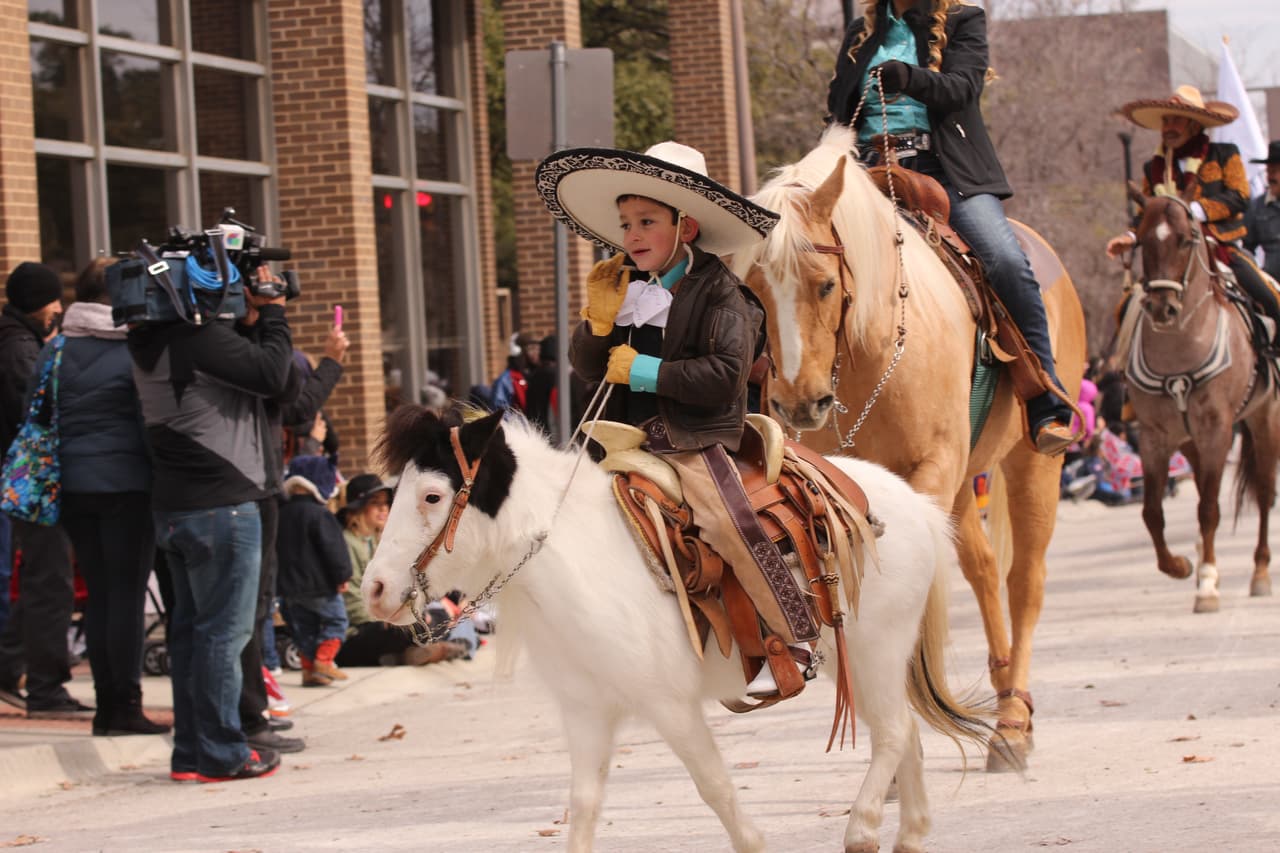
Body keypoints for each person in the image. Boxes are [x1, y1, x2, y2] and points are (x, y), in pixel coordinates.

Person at [538, 139, 817, 698]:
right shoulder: (623, 288)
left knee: (726, 520)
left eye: (647, 222)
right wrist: (597, 324)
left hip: (691, 440)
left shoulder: (725, 295)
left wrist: (645, 371)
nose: (631, 236)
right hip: (616, 438)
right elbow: (588, 368)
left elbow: (725, 376)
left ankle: (794, 638)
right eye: (626, 224)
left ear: (685, 227)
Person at [826, 0, 1074, 455]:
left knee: (1004, 259)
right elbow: (838, 108)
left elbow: (963, 88)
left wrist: (909, 77)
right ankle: (775, 392)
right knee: (799, 250)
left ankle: (1045, 399)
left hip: (945, 172)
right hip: (867, 170)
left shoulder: (963, 19)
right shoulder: (861, 31)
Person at [129, 262, 294, 782]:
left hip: (175, 509)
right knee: (225, 635)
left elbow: (269, 382)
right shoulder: (199, 340)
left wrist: (250, 324)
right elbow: (275, 377)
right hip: (223, 507)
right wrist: (273, 313)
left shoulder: (147, 341)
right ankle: (223, 753)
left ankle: (190, 754)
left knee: (190, 636)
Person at [56, 258, 167, 735]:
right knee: (124, 598)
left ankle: (107, 706)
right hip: (127, 487)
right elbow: (150, 422)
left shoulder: (56, 348)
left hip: (72, 486)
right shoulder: (133, 348)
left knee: (99, 596)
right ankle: (124, 707)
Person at [1106, 86, 1280, 334]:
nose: (1169, 127)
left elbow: (1239, 195)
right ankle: (1121, 355)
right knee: (1124, 311)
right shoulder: (1152, 168)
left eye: (1176, 121)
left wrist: (1190, 212)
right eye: (1166, 121)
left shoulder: (1224, 154)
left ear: (1194, 125)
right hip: (1168, 254)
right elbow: (1147, 214)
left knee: (1270, 298)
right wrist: (1131, 237)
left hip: (1220, 248)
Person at [0, 262, 86, 719]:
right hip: (34, 482)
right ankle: (45, 687)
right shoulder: (20, 348)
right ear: (37, 302)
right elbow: (34, 414)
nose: (58, 308)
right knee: (49, 581)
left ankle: (11, 665)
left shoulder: (19, 340)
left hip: (26, 483)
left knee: (41, 578)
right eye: (53, 300)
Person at [334, 474, 467, 667]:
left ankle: (404, 656)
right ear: (358, 508)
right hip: (356, 630)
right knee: (413, 627)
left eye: (385, 503)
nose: (383, 508)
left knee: (437, 618)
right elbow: (351, 602)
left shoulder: (376, 540)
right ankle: (408, 653)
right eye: (375, 503)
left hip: (379, 622)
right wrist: (384, 617)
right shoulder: (347, 543)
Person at [275, 454, 350, 687]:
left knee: (305, 629)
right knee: (337, 622)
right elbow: (334, 549)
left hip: (289, 588)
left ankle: (309, 671)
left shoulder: (280, 513)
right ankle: (324, 662)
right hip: (320, 586)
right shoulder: (320, 513)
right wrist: (342, 575)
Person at [1244, 140, 1280, 282]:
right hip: (1273, 285)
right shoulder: (1257, 207)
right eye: (1268, 171)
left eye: (1274, 171)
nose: (1270, 178)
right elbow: (1245, 248)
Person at [490, 332, 538, 412]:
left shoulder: (541, 376)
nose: (536, 352)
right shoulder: (505, 380)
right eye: (532, 348)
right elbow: (499, 412)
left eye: (538, 348)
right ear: (519, 351)